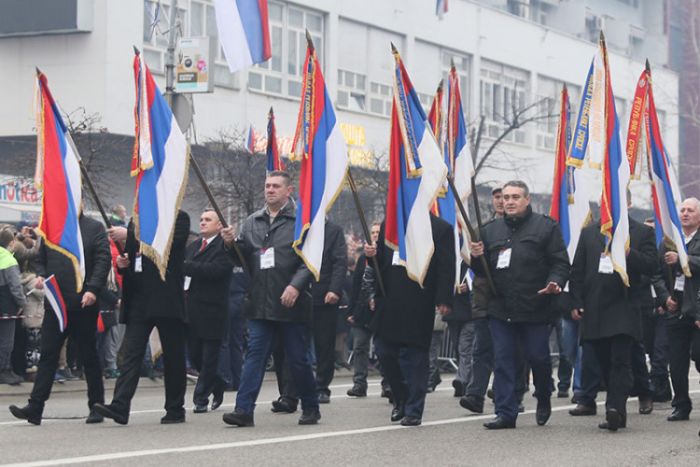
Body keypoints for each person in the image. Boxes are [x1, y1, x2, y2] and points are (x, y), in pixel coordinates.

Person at [220, 171, 318, 427]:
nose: (270, 190)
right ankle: (244, 410)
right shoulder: (253, 221)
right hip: (260, 302)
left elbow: (310, 261)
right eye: (267, 186)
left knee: (297, 359)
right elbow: (243, 258)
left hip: (290, 303)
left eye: (276, 186)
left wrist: (296, 286)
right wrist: (230, 245)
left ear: (289, 190)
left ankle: (310, 406)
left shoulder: (302, 222)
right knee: (254, 356)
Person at [470, 180, 569, 430]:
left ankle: (543, 395)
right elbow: (482, 272)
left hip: (534, 306)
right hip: (500, 308)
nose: (509, 202)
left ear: (527, 200)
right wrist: (475, 256)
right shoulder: (489, 230)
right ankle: (506, 412)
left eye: (515, 197)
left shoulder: (546, 228)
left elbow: (560, 263)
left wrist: (555, 282)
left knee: (538, 357)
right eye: (505, 197)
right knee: (503, 360)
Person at [9, 213, 111, 425]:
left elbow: (103, 260)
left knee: (88, 356)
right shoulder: (53, 226)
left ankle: (96, 405)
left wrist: (93, 289)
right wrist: (42, 276)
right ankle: (35, 407)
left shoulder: (94, 227)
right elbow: (39, 259)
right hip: (56, 303)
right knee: (48, 355)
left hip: (84, 302)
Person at [93, 210, 190, 425]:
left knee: (173, 357)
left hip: (166, 298)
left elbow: (165, 246)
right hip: (139, 300)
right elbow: (134, 256)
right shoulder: (134, 221)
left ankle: (175, 408)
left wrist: (129, 237)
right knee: (131, 355)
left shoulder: (178, 217)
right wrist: (123, 263)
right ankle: (120, 405)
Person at [569, 203, 657, 431]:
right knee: (602, 361)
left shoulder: (641, 232)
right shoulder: (589, 233)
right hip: (595, 308)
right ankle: (615, 407)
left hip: (624, 306)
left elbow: (652, 266)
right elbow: (577, 270)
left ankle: (615, 409)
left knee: (621, 361)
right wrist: (576, 301)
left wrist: (630, 253)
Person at [364, 214, 455, 426]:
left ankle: (414, 409)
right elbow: (381, 262)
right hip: (389, 300)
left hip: (418, 300)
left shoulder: (440, 228)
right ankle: (401, 397)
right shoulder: (391, 223)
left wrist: (443, 299)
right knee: (384, 352)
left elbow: (446, 266)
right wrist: (372, 256)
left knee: (414, 360)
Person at [656, 197, 700, 421]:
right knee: (677, 361)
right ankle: (681, 404)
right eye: (682, 210)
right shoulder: (669, 241)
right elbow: (656, 273)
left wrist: (684, 260)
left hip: (698, 308)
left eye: (690, 210)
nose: (684, 214)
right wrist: (664, 298)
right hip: (676, 307)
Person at [186, 208, 233, 413]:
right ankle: (219, 381)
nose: (203, 222)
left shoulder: (225, 246)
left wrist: (189, 266)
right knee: (195, 356)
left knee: (209, 356)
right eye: (201, 219)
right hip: (192, 308)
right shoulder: (193, 246)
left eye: (208, 219)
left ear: (219, 225)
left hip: (213, 308)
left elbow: (218, 270)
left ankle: (201, 398)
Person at [310, 220, 347, 403]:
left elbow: (340, 262)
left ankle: (322, 386)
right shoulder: (296, 226)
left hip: (324, 295)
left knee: (324, 345)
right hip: (298, 293)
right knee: (293, 345)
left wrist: (334, 289)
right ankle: (289, 391)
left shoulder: (334, 230)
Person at [346, 224, 381, 398]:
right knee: (360, 346)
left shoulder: (388, 255)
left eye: (378, 232)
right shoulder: (362, 259)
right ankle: (359, 383)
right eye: (372, 232)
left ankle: (388, 384)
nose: (375, 235)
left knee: (383, 348)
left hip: (381, 310)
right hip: (362, 311)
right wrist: (351, 311)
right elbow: (356, 286)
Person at [442, 261, 473, 398]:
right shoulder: (451, 261)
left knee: (464, 347)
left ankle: (461, 380)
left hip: (471, 312)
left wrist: (470, 286)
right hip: (453, 312)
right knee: (457, 348)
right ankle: (467, 381)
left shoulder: (471, 261)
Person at [0, 227, 27, 385]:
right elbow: (15, 287)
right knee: (6, 340)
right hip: (6, 304)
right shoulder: (9, 260)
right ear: (10, 243)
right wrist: (21, 303)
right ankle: (4, 370)